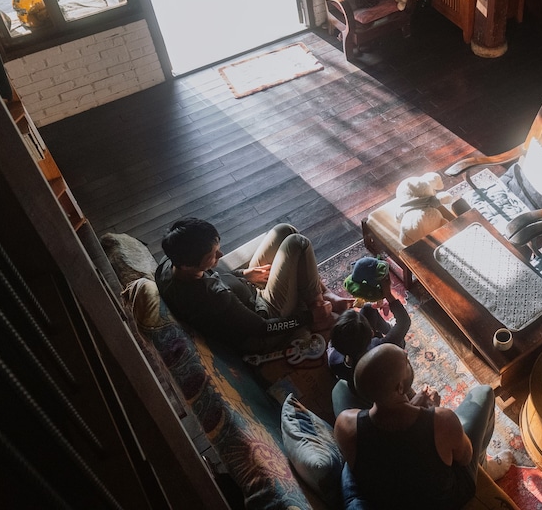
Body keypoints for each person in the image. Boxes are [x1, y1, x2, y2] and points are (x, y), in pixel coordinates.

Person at [335, 343, 495, 510]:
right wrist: (431, 413)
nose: (407, 357)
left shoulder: (344, 425)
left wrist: (414, 408)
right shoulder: (443, 420)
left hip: (386, 500)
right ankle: (483, 464)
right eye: (406, 362)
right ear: (400, 387)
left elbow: (393, 445)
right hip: (444, 502)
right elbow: (465, 457)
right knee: (484, 393)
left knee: (339, 390)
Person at [155, 218, 352, 354]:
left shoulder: (168, 264)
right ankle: (320, 313)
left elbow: (214, 276)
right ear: (189, 265)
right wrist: (308, 317)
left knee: (285, 230)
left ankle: (325, 294)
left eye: (217, 247)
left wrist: (243, 274)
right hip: (265, 314)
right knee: (298, 243)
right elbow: (262, 328)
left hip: (244, 290)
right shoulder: (212, 297)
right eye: (212, 256)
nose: (221, 255)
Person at [328, 272, 411, 415]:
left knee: (367, 309)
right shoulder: (383, 347)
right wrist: (388, 294)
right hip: (381, 368)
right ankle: (390, 331)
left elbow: (334, 343)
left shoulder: (335, 360)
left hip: (360, 367)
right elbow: (404, 321)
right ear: (372, 334)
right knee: (399, 340)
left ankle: (389, 330)